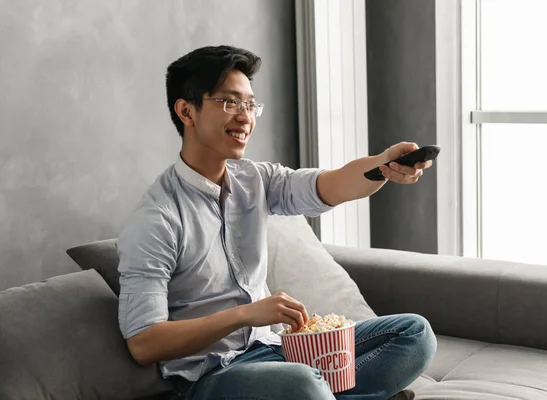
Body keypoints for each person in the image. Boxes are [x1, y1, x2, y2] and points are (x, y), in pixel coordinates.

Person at [117, 45, 437, 400]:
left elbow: (326, 185)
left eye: (250, 105)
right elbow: (143, 343)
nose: (245, 117)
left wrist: (383, 165)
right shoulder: (157, 218)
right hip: (212, 377)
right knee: (302, 384)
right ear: (186, 111)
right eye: (230, 103)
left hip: (278, 351)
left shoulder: (254, 178)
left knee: (414, 334)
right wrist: (244, 314)